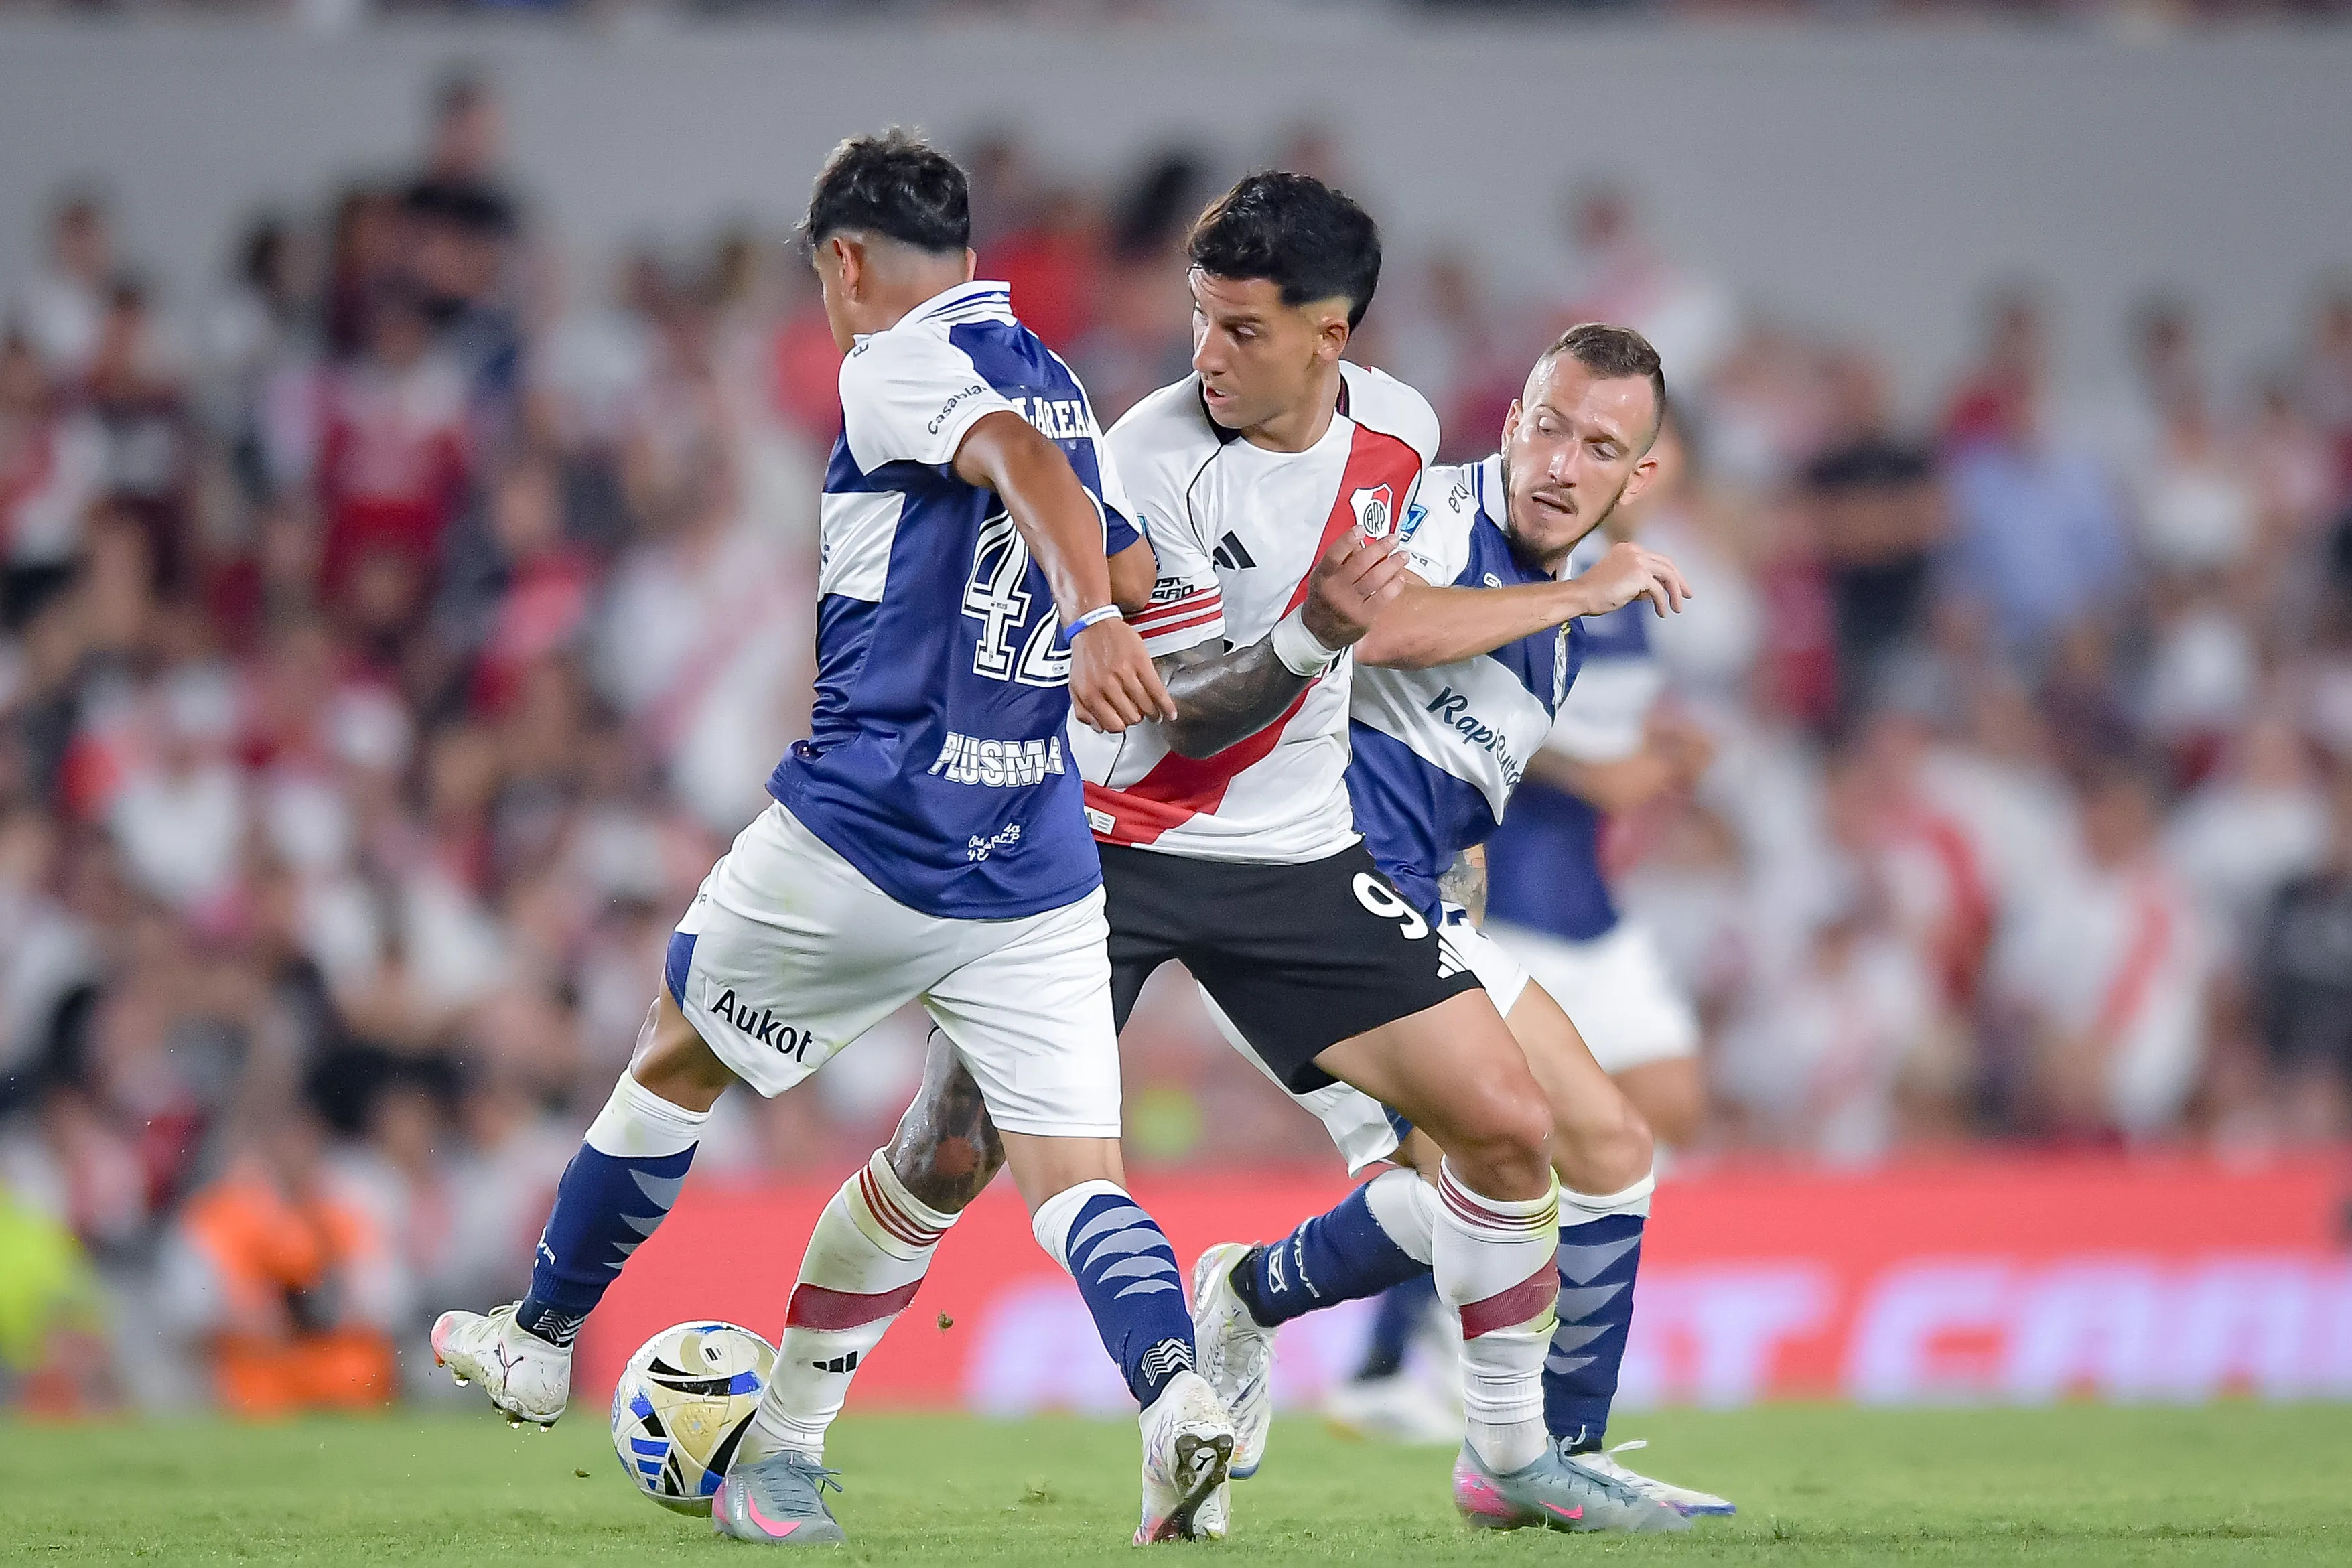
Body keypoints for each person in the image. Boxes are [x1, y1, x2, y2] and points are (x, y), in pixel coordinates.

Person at [744, 175, 1690, 1539]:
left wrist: (1430, 825)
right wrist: (1319, 632)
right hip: (1107, 846)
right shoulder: (1150, 455)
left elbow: (1402, 645)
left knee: (1509, 1127)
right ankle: (787, 1435)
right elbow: (1195, 707)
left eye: (1241, 329)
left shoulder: (1400, 434)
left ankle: (1513, 1453)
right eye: (1200, 318)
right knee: (950, 1152)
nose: (1207, 355)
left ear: (1331, 335)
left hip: (1298, 855)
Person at [427, 131, 1230, 1548]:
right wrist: (1129, 609)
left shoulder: (901, 361)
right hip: (1031, 858)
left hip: (869, 827)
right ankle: (1171, 1397)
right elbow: (1114, 545)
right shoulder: (1064, 380)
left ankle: (542, 1335)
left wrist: (1097, 621)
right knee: (1073, 1184)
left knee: (679, 1046)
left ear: (847, 263)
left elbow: (1021, 475)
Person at [1186, 324, 1732, 1520]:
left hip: (1413, 908)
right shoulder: (1424, 510)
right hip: (1303, 900)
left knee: (1605, 1153)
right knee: (1490, 1184)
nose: (1560, 463)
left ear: (1637, 476)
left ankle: (1558, 1448)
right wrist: (1577, 589)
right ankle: (1497, 1452)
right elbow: (1370, 631)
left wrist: (1462, 886)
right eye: (1548, 425)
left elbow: (1457, 794)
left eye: (1599, 447)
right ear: (1512, 417)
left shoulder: (1559, 638)